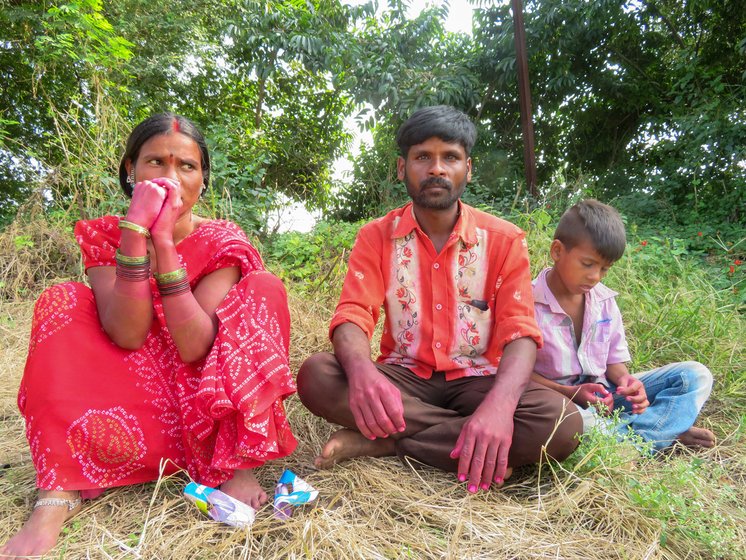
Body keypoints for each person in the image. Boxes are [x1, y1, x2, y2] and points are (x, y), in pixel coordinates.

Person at [1, 113, 297, 558]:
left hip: (203, 407)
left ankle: (230, 460)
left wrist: (165, 243)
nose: (170, 177)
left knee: (264, 288)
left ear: (203, 179)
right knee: (62, 298)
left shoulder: (223, 241)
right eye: (155, 162)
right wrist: (136, 236)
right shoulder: (106, 236)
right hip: (135, 409)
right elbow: (126, 333)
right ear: (130, 170)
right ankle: (59, 489)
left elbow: (196, 346)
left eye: (186, 166)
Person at [297, 105, 582, 495]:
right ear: (402, 168)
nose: (436, 169)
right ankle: (456, 437)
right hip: (403, 380)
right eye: (422, 158)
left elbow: (520, 334)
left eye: (450, 157)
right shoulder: (376, 236)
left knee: (561, 422)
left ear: (468, 168)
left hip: (479, 379)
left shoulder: (504, 239)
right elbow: (353, 315)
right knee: (317, 376)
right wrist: (363, 373)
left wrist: (498, 408)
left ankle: (390, 442)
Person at [531, 199, 716, 451]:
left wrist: (628, 382)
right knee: (568, 424)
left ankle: (637, 434)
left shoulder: (604, 301)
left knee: (694, 375)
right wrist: (568, 392)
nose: (595, 277)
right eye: (587, 264)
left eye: (605, 269)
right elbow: (513, 373)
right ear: (557, 251)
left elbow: (613, 364)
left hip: (605, 397)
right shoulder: (526, 301)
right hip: (558, 401)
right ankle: (661, 431)